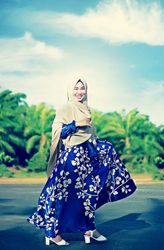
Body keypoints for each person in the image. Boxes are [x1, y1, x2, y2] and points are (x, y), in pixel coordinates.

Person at [27, 78, 137, 246]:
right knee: (62, 196)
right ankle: (51, 233)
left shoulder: (86, 108)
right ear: (70, 90)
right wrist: (76, 124)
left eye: (82, 88)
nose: (79, 92)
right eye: (76, 88)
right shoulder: (66, 107)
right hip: (72, 159)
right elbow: (59, 131)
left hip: (87, 157)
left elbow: (91, 134)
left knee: (89, 194)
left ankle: (89, 229)